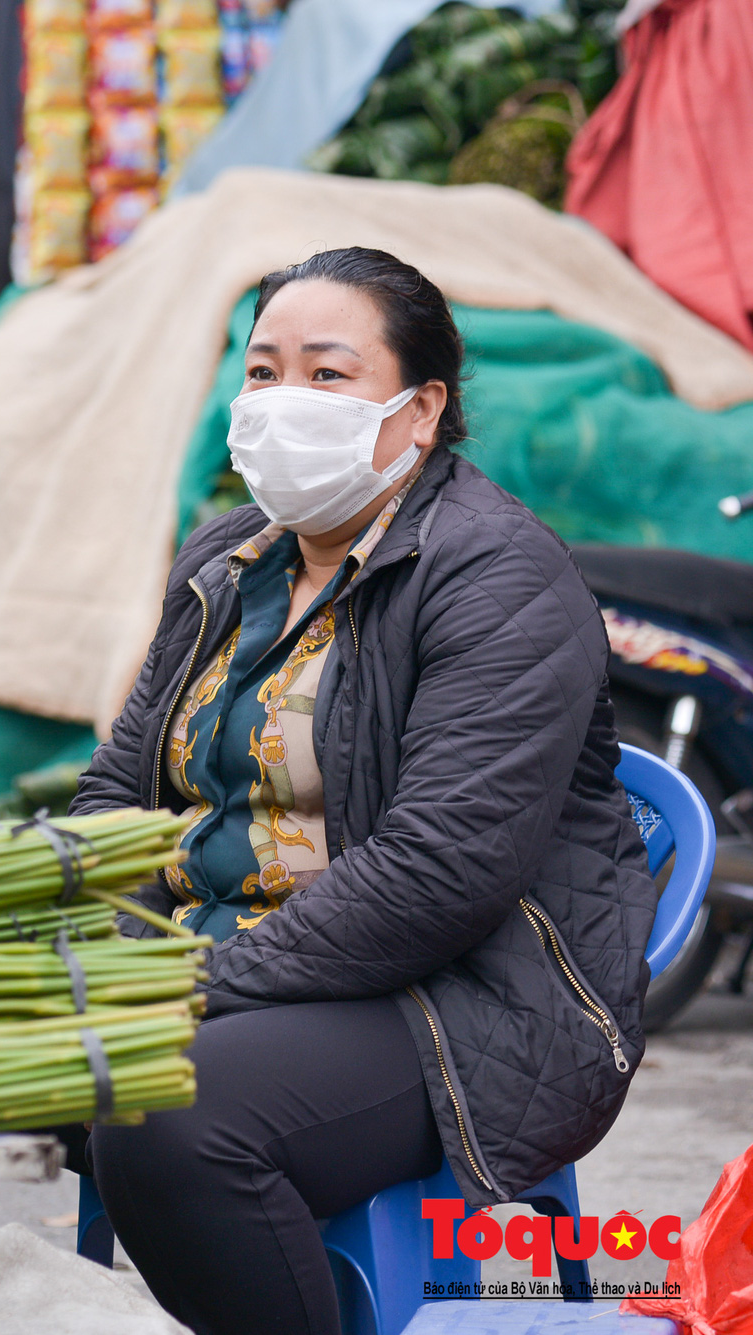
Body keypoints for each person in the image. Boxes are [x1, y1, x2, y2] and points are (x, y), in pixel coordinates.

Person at [69, 246, 655, 1335]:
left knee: (170, 1117)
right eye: (261, 373)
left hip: (450, 994)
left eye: (326, 375)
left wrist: (194, 985)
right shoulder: (225, 558)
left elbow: (439, 872)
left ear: (419, 407)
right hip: (216, 962)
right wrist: (83, 945)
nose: (282, 403)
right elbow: (119, 785)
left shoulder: (497, 577)